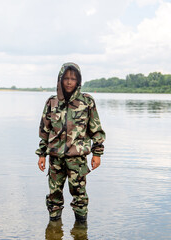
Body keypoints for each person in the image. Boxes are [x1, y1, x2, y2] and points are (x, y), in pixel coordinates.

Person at [36, 62, 106, 223]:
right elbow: (45, 132)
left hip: (77, 159)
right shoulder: (51, 103)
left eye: (73, 79)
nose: (69, 82)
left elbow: (96, 129)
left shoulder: (87, 101)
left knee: (80, 196)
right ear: (60, 80)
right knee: (54, 197)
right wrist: (41, 155)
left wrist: (97, 154)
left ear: (78, 81)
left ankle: (81, 229)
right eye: (66, 78)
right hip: (55, 159)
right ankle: (54, 229)